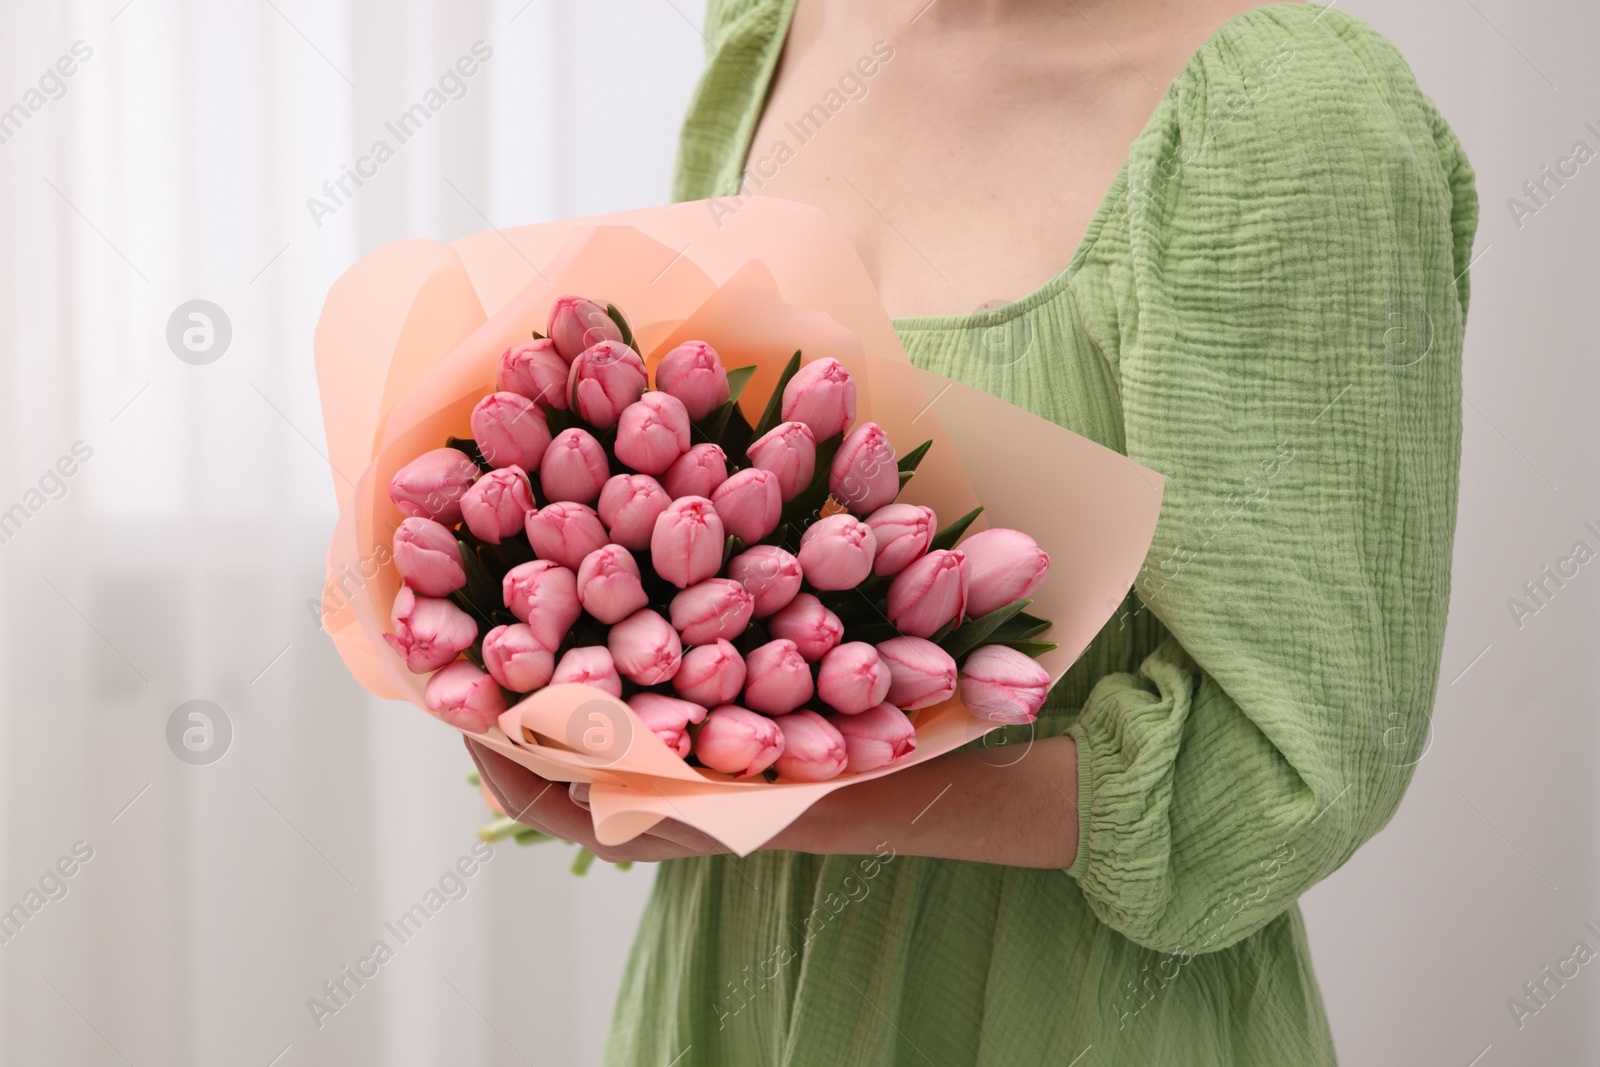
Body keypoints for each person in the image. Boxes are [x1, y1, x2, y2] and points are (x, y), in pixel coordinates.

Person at [469, 0, 1478, 1061]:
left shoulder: (1289, 118)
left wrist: (780, 799)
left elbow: (1298, 769)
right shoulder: (772, 29)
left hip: (1065, 1010)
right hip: (727, 983)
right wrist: (583, 731)